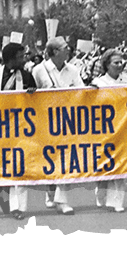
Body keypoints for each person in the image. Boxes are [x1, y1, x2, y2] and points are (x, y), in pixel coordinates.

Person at [0, 42, 37, 220]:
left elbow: (37, 103)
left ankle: (18, 207)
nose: (24, 59)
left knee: (19, 167)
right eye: (21, 57)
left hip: (21, 127)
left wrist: (33, 94)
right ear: (11, 59)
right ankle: (3, 198)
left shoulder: (28, 77)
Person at [32, 36, 83, 215]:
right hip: (46, 122)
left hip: (68, 121)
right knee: (50, 159)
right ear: (54, 52)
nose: (68, 50)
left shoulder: (74, 70)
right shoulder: (38, 70)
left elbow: (81, 91)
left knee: (66, 160)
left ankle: (62, 200)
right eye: (64, 47)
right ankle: (50, 192)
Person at [90, 49, 127, 212]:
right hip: (103, 129)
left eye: (121, 62)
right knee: (104, 163)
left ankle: (117, 201)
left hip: (123, 128)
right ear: (107, 65)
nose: (120, 65)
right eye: (116, 63)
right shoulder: (98, 83)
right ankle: (101, 194)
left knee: (121, 164)